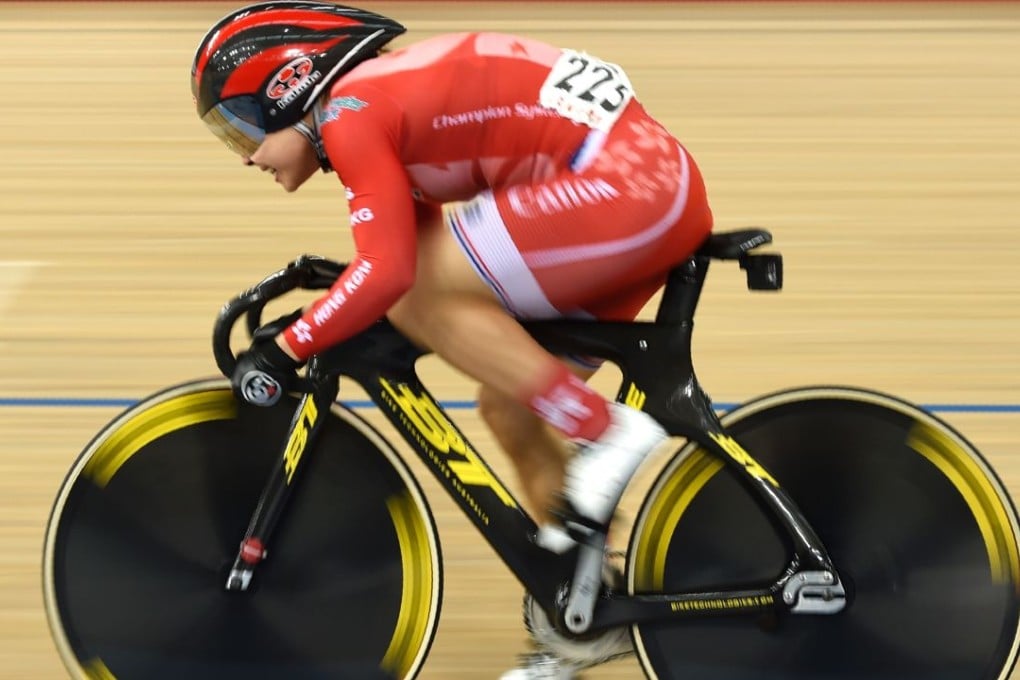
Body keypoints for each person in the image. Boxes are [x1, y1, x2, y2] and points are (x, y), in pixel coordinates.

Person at [192, 2, 713, 677]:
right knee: (511, 404)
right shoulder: (378, 100)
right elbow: (404, 254)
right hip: (643, 187)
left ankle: (603, 429)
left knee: (415, 297)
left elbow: (391, 274)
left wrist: (287, 347)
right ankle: (584, 612)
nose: (246, 156)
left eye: (242, 128)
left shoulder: (349, 113)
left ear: (289, 91)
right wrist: (333, 312)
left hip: (626, 188)